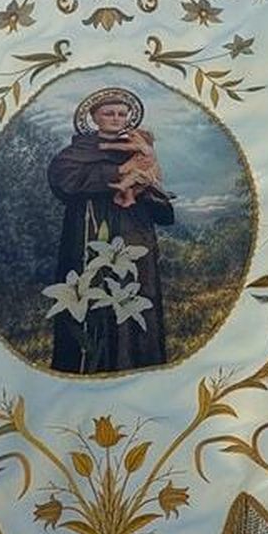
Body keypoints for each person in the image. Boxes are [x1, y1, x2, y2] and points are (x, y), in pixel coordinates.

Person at [46, 87, 173, 373]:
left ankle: (139, 363)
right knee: (92, 300)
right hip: (88, 234)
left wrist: (146, 189)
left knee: (134, 298)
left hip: (134, 235)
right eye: (108, 113)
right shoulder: (74, 154)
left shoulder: (141, 147)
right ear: (94, 118)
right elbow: (64, 181)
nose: (116, 119)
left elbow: (155, 190)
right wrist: (117, 174)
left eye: (121, 114)